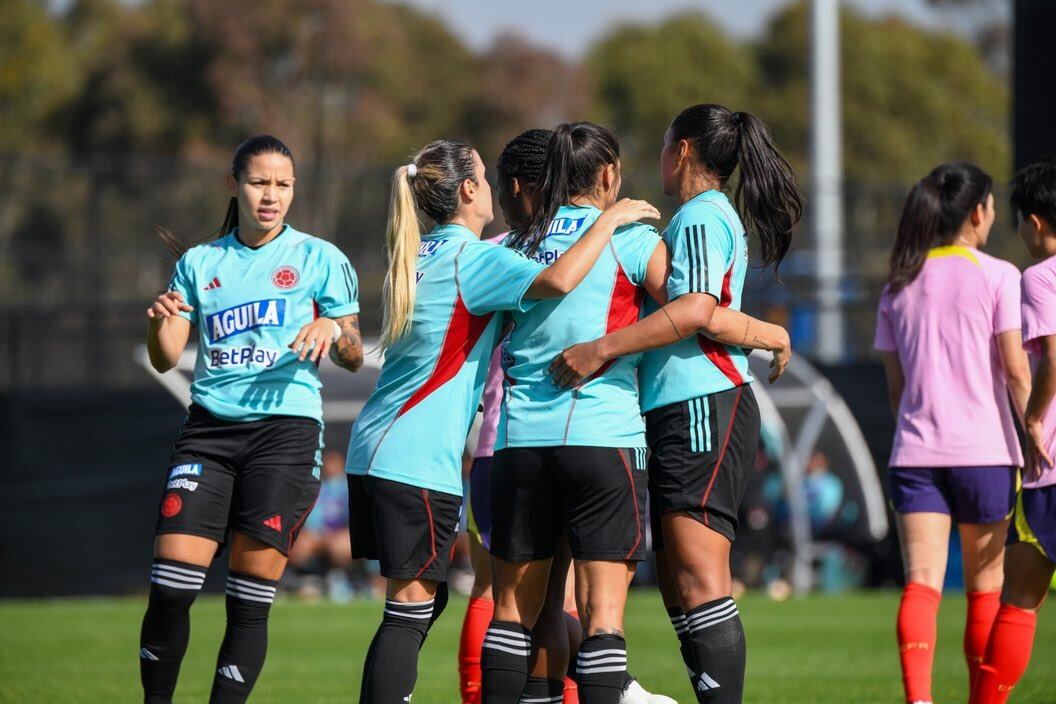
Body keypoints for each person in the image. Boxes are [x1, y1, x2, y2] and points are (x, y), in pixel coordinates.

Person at [345, 138, 660, 704]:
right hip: (418, 455)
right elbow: (559, 281)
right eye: (486, 180)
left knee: (419, 606)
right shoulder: (476, 257)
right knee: (410, 612)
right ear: (468, 191)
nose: (495, 189)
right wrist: (610, 217)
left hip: (376, 447)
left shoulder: (420, 253)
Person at [549, 105, 800, 704]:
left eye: (663, 145)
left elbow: (694, 311)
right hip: (679, 409)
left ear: (682, 151)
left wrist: (600, 349)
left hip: (703, 404)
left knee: (700, 579)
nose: (657, 158)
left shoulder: (700, 216)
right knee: (678, 582)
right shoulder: (696, 217)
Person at [139, 135, 365, 704]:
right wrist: (158, 321)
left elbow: (356, 351)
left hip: (284, 437)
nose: (271, 195)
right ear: (233, 184)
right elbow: (167, 354)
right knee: (170, 588)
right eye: (259, 182)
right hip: (209, 433)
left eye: (283, 184)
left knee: (248, 599)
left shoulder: (320, 257)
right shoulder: (199, 262)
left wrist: (334, 329)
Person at [873, 162, 1030, 704]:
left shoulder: (898, 284)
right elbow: (1015, 370)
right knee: (985, 588)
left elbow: (895, 389)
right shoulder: (999, 275)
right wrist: (1037, 436)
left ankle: (918, 699)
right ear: (980, 212)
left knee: (922, 583)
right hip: (985, 453)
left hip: (915, 452)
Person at [972, 158, 1056, 704]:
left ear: (1034, 221)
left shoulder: (1039, 277)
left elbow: (1051, 353)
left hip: (1051, 461)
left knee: (1020, 597)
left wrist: (1032, 418)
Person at [287, 449, 355, 601]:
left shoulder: (349, 488)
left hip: (341, 533)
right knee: (299, 545)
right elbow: (311, 516)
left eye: (334, 463)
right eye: (328, 463)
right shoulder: (317, 487)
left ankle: (338, 580)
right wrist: (318, 533)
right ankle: (304, 580)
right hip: (318, 533)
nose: (330, 467)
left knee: (341, 545)